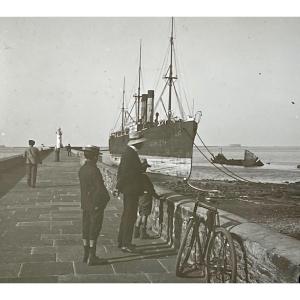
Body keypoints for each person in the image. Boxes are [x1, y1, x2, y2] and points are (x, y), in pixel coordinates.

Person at [78, 145, 110, 265]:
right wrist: (104, 201)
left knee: (85, 228)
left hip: (85, 204)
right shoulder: (94, 170)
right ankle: (92, 256)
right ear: (95, 157)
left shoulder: (82, 169)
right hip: (95, 205)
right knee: (94, 229)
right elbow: (100, 189)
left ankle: (85, 254)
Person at [116, 132, 146, 253]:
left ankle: (121, 241)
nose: (143, 144)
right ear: (137, 143)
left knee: (126, 216)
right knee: (130, 217)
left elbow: (122, 170)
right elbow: (129, 173)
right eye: (141, 142)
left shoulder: (128, 152)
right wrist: (143, 166)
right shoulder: (131, 154)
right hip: (131, 190)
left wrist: (118, 187)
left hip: (128, 190)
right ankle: (126, 244)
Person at [133, 158, 161, 239]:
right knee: (145, 215)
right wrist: (157, 196)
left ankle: (136, 232)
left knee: (140, 214)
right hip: (146, 198)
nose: (146, 168)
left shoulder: (136, 176)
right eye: (145, 166)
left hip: (140, 198)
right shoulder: (144, 177)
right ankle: (143, 233)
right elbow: (150, 189)